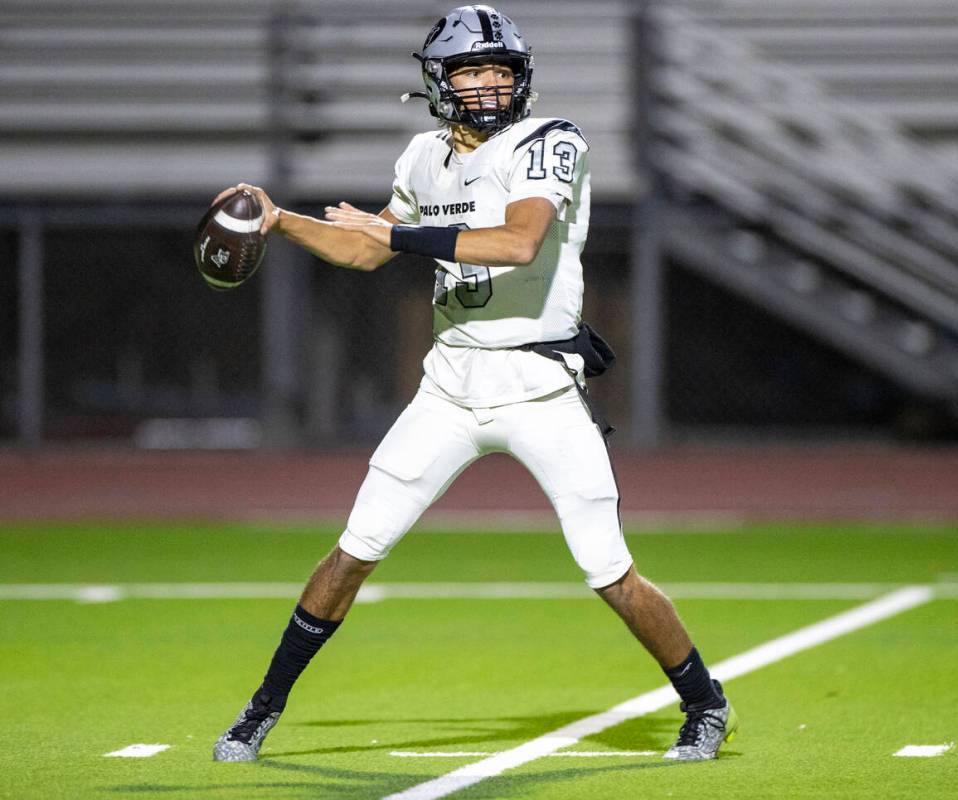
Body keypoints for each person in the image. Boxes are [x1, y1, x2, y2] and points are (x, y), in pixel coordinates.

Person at [212, 4, 737, 765]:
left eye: (500, 70)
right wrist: (280, 220)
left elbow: (518, 241)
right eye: (471, 70)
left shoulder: (549, 141)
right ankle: (260, 710)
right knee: (354, 549)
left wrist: (390, 231)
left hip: (540, 386)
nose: (489, 84)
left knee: (607, 568)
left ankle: (704, 703)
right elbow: (361, 253)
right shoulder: (424, 156)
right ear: (439, 81)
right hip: (449, 388)